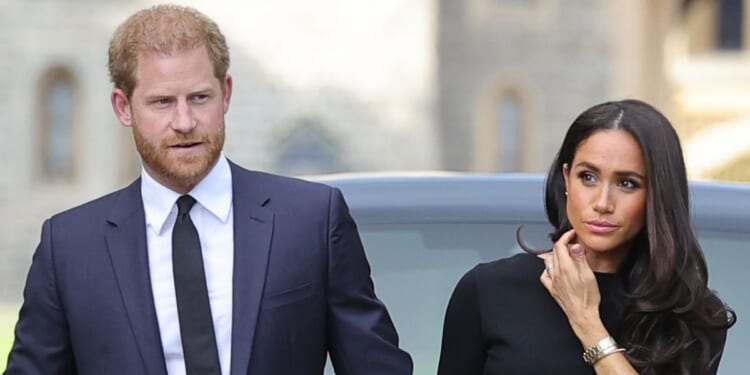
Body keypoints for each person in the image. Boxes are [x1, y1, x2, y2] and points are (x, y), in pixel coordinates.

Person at [4, 5, 412, 375]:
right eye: (162, 102)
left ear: (226, 94)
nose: (184, 121)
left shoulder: (311, 220)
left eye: (199, 98)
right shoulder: (70, 247)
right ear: (123, 107)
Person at [437, 99, 735, 374]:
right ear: (567, 178)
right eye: (588, 177)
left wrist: (587, 322)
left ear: (657, 196)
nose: (603, 202)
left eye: (627, 183)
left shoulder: (690, 317)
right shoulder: (489, 290)